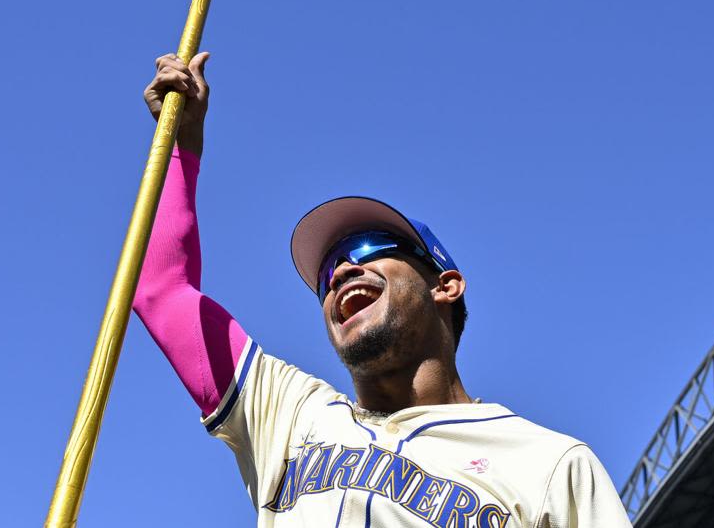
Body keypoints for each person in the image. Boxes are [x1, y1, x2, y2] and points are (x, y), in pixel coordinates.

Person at [134, 52, 632, 527]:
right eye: (329, 267)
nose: (342, 271)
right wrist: (179, 146)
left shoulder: (551, 463)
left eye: (371, 247)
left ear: (446, 285)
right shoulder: (287, 414)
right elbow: (159, 289)